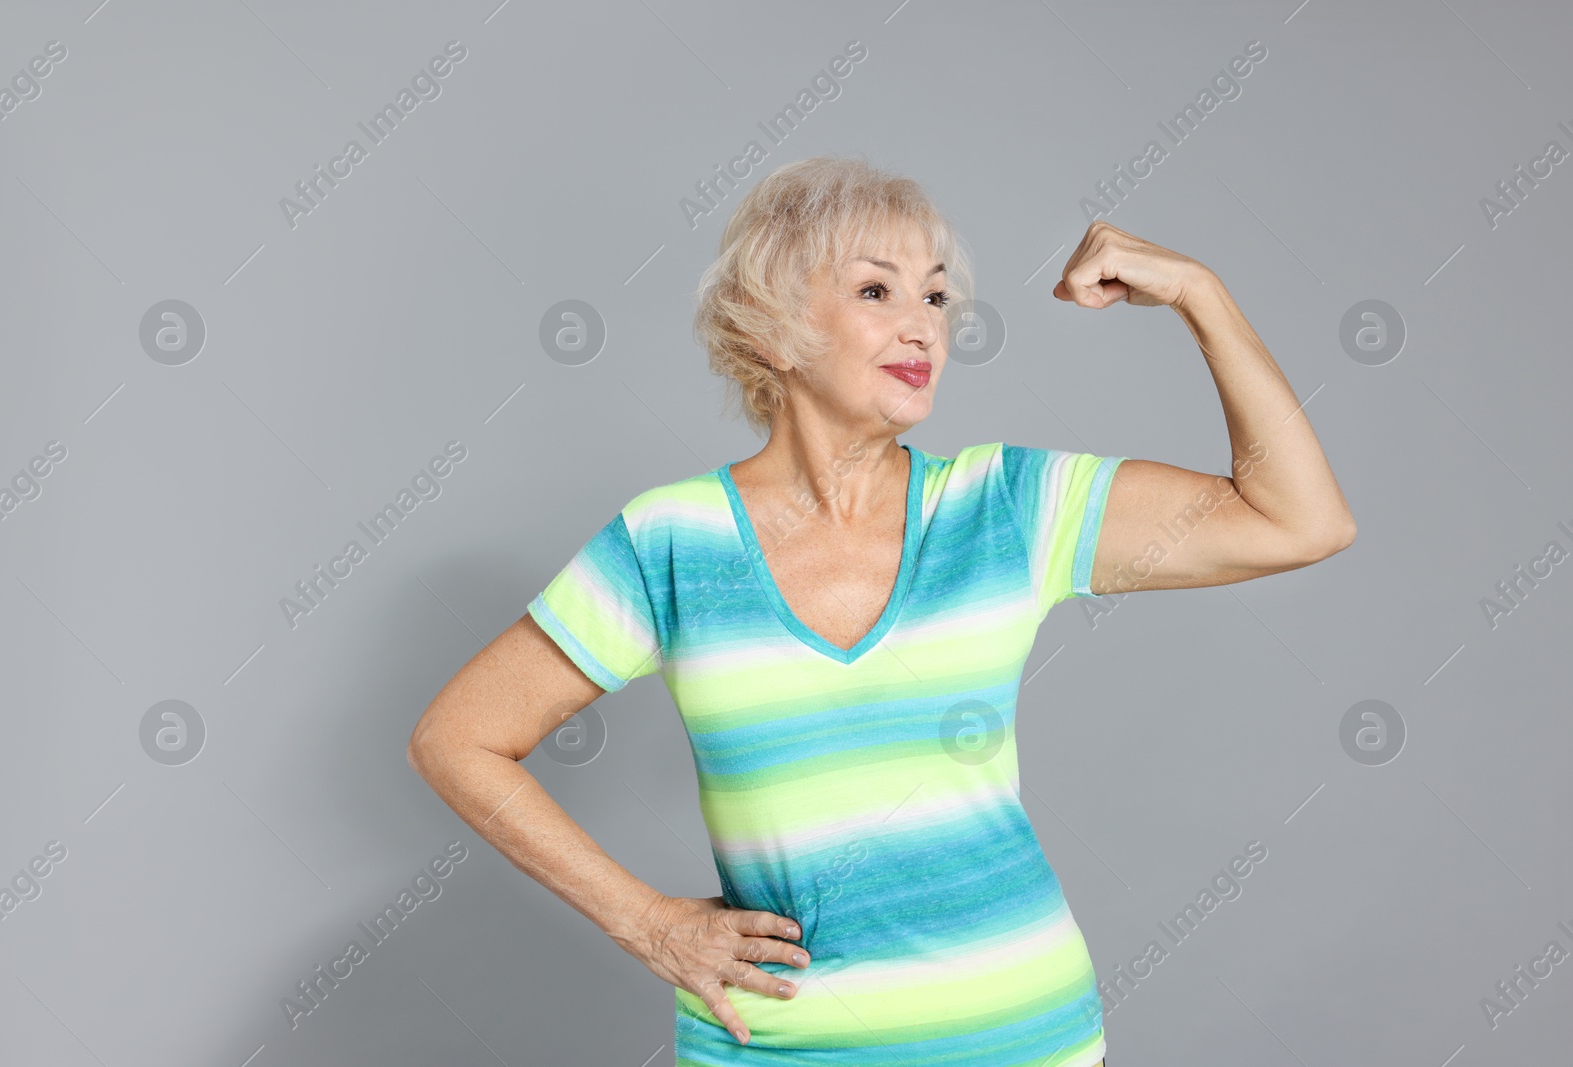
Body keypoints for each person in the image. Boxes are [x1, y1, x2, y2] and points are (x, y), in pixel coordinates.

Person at [407, 156, 1355, 1066]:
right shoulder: (673, 541)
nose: (925, 327)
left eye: (937, 297)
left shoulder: (1007, 506)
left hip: (1025, 1043)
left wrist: (1198, 292)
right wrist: (648, 922)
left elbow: (1299, 520)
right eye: (877, 292)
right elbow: (459, 737)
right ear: (771, 329)